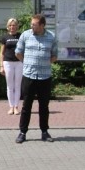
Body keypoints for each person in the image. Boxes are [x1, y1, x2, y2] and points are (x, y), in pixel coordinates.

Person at [15, 14, 58, 143]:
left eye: (34, 24)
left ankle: (44, 132)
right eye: (31, 24)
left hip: (45, 77)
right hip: (29, 76)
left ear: (42, 25)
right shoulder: (25, 35)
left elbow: (55, 55)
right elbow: (18, 52)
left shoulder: (51, 37)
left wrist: (44, 63)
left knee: (44, 106)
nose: (31, 26)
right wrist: (27, 62)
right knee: (26, 106)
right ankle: (22, 132)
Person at [0, 18, 22, 115]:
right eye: (10, 25)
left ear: (17, 26)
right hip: (7, 63)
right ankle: (11, 106)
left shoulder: (21, 36)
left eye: (14, 25)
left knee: (17, 85)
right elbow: (2, 53)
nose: (12, 27)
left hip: (19, 63)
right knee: (10, 86)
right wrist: (1, 66)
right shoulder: (5, 37)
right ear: (8, 27)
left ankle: (16, 107)